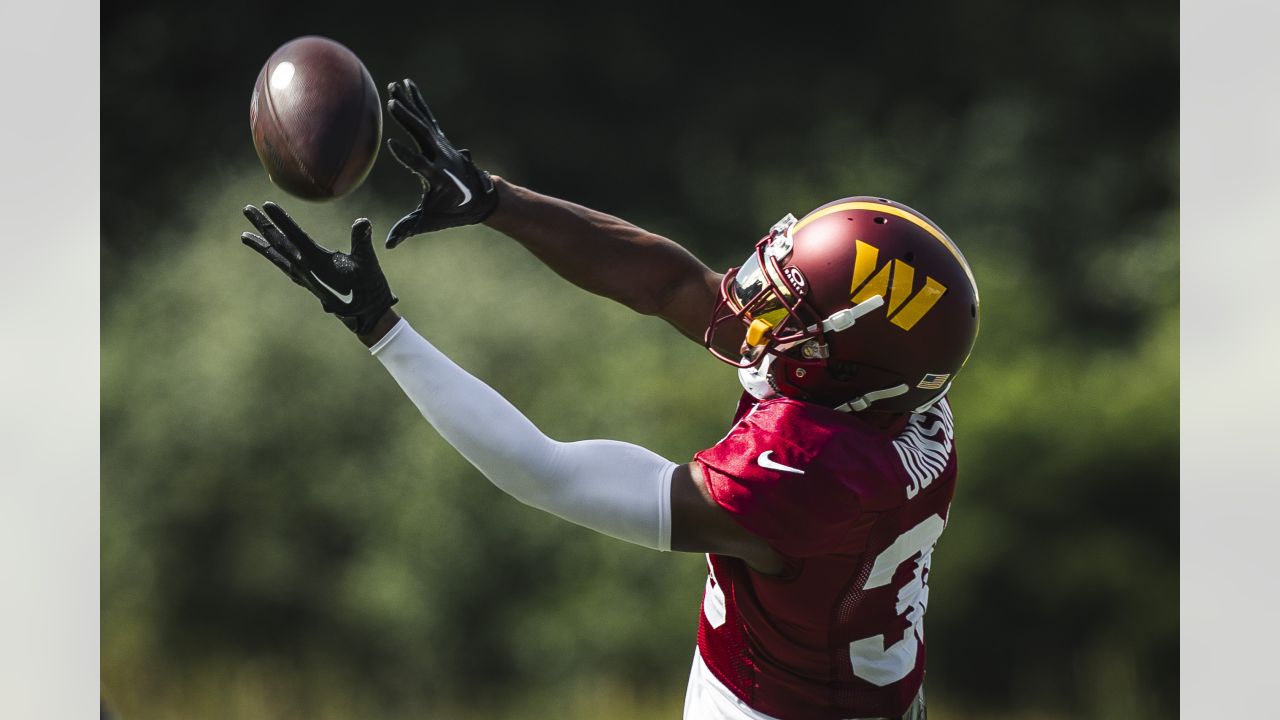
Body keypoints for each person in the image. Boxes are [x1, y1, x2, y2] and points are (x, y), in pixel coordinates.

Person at [240, 78, 980, 720]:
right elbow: (672, 288)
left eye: (795, 319)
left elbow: (544, 472)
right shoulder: (900, 396)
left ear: (845, 367)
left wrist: (379, 328)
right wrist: (495, 199)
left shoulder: (806, 473)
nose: (761, 312)